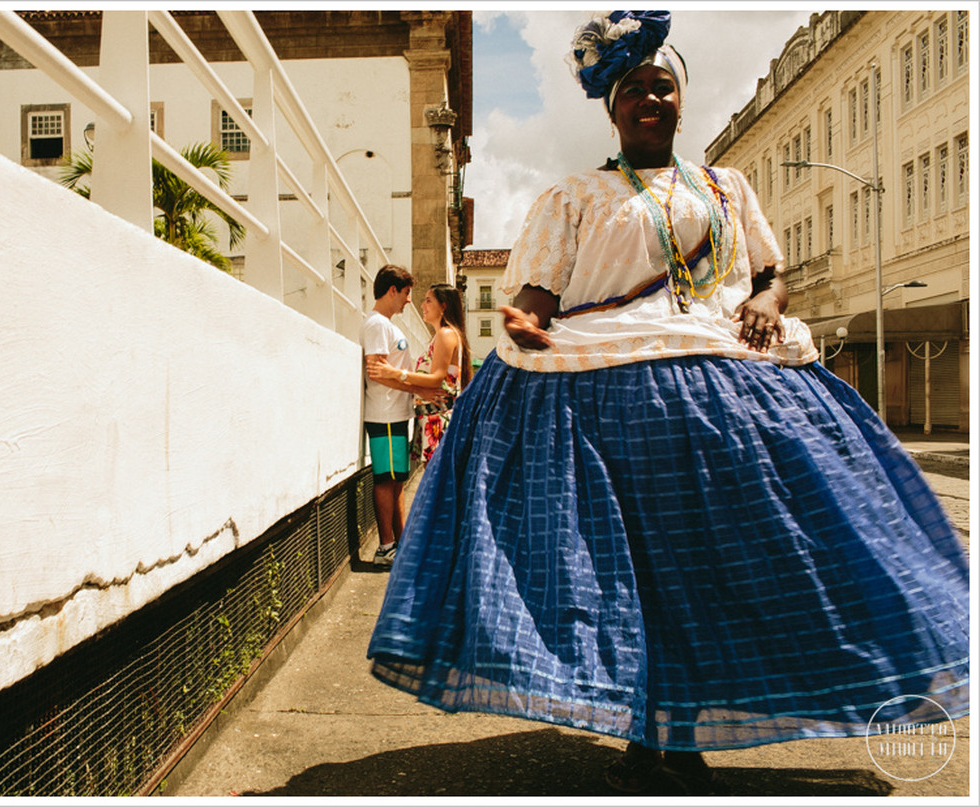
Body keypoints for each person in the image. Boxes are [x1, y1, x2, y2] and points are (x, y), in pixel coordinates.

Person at [367, 10, 968, 795]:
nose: (651, 100)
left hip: (727, 389)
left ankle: (687, 723)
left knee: (732, 569)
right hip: (611, 408)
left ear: (683, 102)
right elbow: (541, 295)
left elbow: (768, 272)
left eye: (663, 87)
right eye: (635, 91)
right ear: (612, 110)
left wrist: (766, 302)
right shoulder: (575, 195)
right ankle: (651, 725)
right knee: (633, 579)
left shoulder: (729, 187)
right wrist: (520, 316)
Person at [367, 283, 473, 465]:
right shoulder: (441, 335)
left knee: (436, 484)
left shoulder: (446, 334)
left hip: (439, 420)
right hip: (432, 419)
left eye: (428, 301)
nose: (422, 306)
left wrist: (394, 373)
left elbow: (436, 378)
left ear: (444, 306)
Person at [360, 264, 416, 568]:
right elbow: (377, 371)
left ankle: (399, 543)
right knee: (386, 480)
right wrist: (414, 384)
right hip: (384, 414)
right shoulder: (377, 324)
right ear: (392, 290)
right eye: (406, 293)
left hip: (395, 413)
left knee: (396, 481)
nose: (409, 300)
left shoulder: (385, 324)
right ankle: (386, 547)